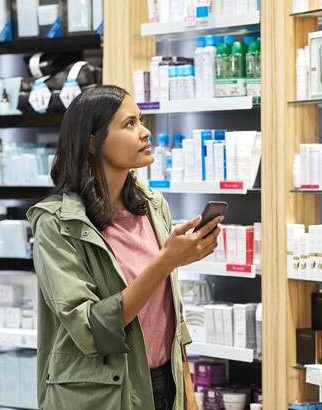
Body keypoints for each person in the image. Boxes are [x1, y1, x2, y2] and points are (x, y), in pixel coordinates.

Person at [27, 85, 223, 410]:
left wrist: (188, 397)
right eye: (129, 124)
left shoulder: (152, 206)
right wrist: (165, 262)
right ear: (92, 141)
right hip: (99, 396)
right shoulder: (56, 223)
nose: (145, 132)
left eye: (141, 120)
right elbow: (91, 330)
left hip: (163, 384)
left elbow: (171, 320)